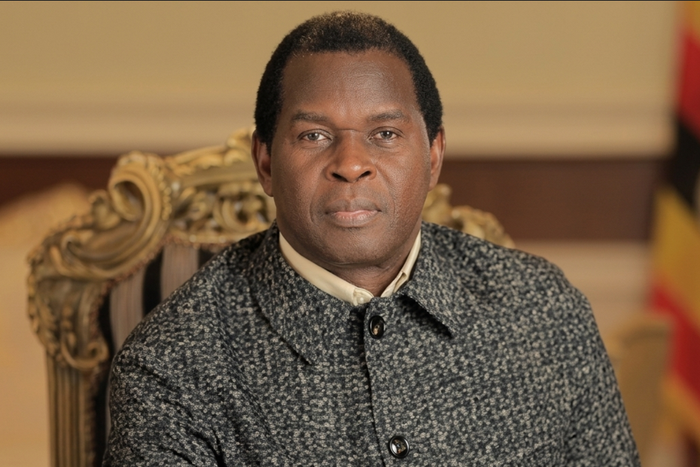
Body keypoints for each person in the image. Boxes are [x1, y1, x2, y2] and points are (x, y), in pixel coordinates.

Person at [104, 11, 640, 466]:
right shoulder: (170, 366)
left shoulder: (546, 310)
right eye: (314, 135)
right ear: (264, 161)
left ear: (433, 156)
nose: (351, 164)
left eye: (385, 134)